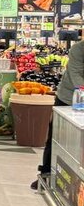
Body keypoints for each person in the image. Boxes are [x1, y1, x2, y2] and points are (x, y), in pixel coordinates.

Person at [36, 39, 84, 189]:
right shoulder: (78, 49)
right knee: (55, 137)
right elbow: (76, 77)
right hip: (67, 98)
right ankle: (46, 173)